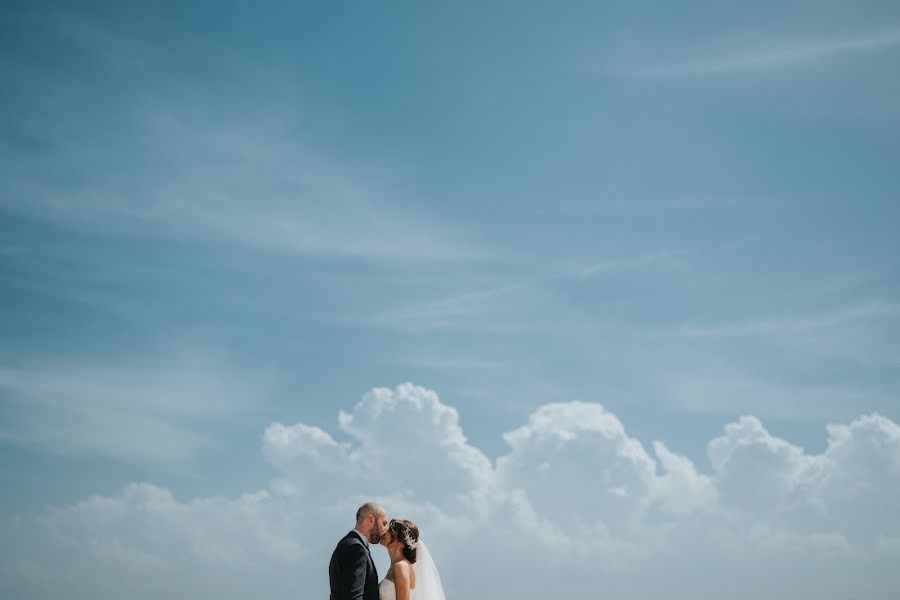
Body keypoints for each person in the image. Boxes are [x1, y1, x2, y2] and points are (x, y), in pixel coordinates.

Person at [329, 502, 389, 600]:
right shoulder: (356, 548)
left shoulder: (347, 544)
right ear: (371, 520)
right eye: (384, 523)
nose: (385, 530)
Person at [377, 518, 445, 600]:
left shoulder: (401, 567)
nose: (385, 531)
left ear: (400, 543)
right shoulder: (399, 566)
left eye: (391, 531)